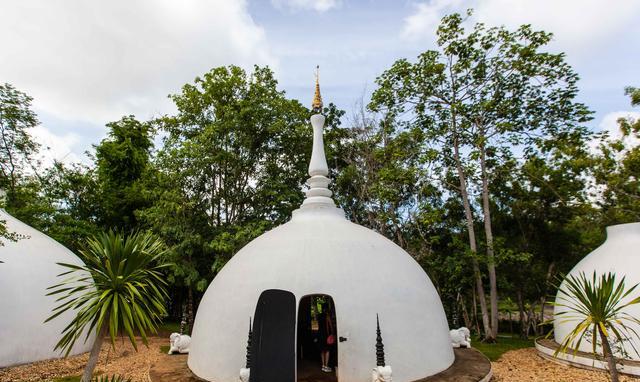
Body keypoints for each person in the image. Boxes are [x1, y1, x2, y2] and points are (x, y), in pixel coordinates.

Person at [317, 302, 335, 373]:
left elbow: (319, 326)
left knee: (322, 350)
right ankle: (326, 366)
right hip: (325, 335)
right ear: (327, 309)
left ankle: (323, 366)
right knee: (327, 350)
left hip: (320, 334)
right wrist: (333, 333)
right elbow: (330, 326)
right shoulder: (327, 316)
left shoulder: (319, 316)